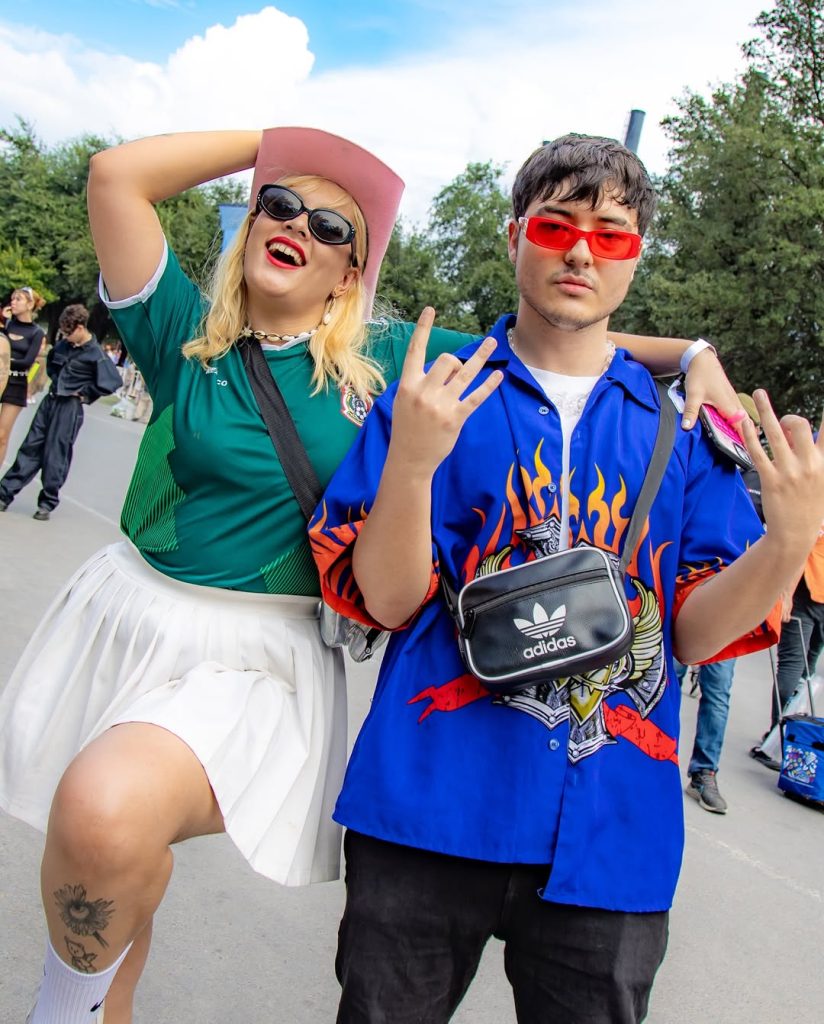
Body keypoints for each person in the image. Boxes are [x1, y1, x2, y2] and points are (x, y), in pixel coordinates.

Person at [0, 126, 738, 1024]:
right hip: (130, 613)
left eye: (330, 226)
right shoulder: (185, 335)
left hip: (257, 657)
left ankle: (59, 1002)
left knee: (106, 812)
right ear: (249, 222)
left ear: (352, 272)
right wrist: (279, 142)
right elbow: (116, 175)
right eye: (279, 205)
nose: (297, 225)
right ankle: (85, 999)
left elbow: (559, 335)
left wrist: (694, 353)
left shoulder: (390, 358)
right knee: (112, 857)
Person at [310, 134, 824, 1024]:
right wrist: (414, 465)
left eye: (611, 235)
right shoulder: (433, 401)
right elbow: (388, 602)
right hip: (432, 804)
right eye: (556, 226)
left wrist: (786, 545)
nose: (582, 252)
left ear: (635, 256)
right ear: (516, 236)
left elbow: (693, 634)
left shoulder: (681, 429)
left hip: (612, 829)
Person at [680, 393, 766, 814]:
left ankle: (704, 772)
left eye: (751, 424)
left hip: (728, 597)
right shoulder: (699, 451)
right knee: (660, 680)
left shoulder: (757, 473)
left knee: (718, 691)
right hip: (682, 589)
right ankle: (649, 759)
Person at [0, 304, 121, 520]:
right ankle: (4, 494)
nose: (66, 336)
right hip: (51, 400)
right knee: (30, 447)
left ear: (81, 328)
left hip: (69, 407)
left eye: (69, 332)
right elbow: (52, 366)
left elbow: (111, 382)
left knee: (56, 455)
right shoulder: (63, 346)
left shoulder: (96, 354)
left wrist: (85, 394)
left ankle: (47, 503)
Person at [750, 523, 824, 770]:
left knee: (792, 667)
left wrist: (786, 594)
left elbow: (803, 547)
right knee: (806, 672)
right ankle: (796, 738)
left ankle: (779, 738)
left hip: (807, 591)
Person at [0, 286, 46, 465]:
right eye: (12, 299)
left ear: (30, 304)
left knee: (2, 435)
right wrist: (4, 322)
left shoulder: (36, 332)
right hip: (1, 378)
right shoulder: (7, 325)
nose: (13, 302)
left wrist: (5, 360)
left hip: (16, 383)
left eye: (18, 299)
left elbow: (27, 361)